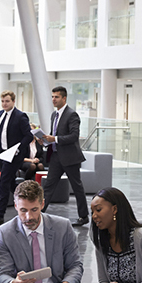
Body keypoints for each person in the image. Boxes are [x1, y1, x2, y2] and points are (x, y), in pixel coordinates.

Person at [0, 90, 32, 225]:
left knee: (3, 182)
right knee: (10, 184)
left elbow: (29, 136)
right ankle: (27, 200)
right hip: (3, 155)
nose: (4, 104)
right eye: (3, 101)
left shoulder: (21, 116)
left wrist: (18, 149)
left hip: (15, 156)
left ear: (13, 101)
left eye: (7, 101)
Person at [41, 86, 88, 226]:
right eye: (52, 97)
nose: (53, 99)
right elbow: (53, 134)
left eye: (56, 97)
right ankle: (39, 212)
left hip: (70, 157)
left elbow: (74, 136)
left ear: (64, 98)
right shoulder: (54, 115)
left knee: (77, 186)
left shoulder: (72, 115)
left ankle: (84, 216)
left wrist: (54, 139)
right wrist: (44, 140)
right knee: (48, 186)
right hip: (56, 156)